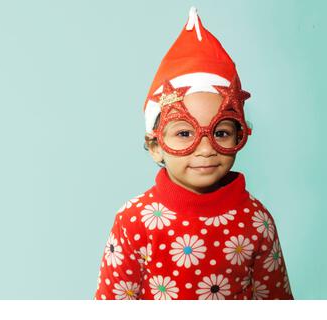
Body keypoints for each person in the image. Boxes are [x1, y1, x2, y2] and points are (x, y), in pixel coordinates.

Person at [94, 6, 294, 300]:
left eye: (220, 132)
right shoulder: (134, 221)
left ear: (240, 136)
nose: (205, 148)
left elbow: (276, 302)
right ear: (155, 147)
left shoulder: (256, 221)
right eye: (184, 133)